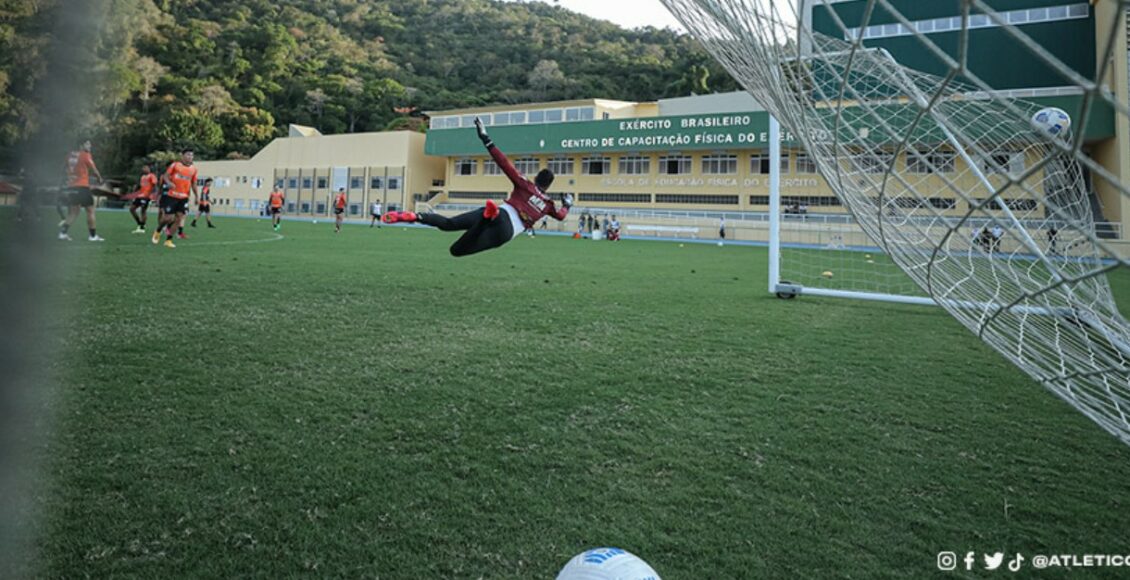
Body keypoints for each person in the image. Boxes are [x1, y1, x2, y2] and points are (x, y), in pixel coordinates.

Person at [382, 117, 572, 256]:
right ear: (548, 186)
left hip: (502, 212)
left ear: (537, 177)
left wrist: (486, 138)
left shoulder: (525, 185)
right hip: (507, 230)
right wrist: (567, 204)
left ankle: (415, 216)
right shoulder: (548, 204)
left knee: (449, 224)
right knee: (456, 251)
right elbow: (561, 215)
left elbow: (505, 164)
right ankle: (486, 218)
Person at [58, 140, 105, 242]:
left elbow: (63, 168)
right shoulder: (85, 155)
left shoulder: (69, 155)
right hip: (82, 187)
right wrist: (99, 179)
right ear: (81, 145)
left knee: (73, 212)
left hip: (71, 187)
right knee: (90, 210)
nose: (90, 146)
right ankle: (92, 236)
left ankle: (62, 233)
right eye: (87, 144)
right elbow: (94, 169)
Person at [152, 148, 198, 248]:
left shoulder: (194, 169)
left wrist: (197, 196)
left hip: (184, 197)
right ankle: (158, 230)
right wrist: (169, 182)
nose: (190, 157)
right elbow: (165, 176)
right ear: (182, 156)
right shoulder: (175, 165)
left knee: (178, 219)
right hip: (172, 195)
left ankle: (168, 240)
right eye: (188, 155)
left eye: (192, 155)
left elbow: (194, 183)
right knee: (168, 218)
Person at [127, 164, 159, 234]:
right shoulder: (142, 177)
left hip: (146, 196)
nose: (144, 169)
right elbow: (140, 186)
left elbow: (154, 186)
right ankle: (140, 223)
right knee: (132, 209)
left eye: (145, 167)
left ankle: (142, 227)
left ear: (149, 169)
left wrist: (153, 196)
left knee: (143, 210)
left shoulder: (152, 176)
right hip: (140, 196)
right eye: (143, 168)